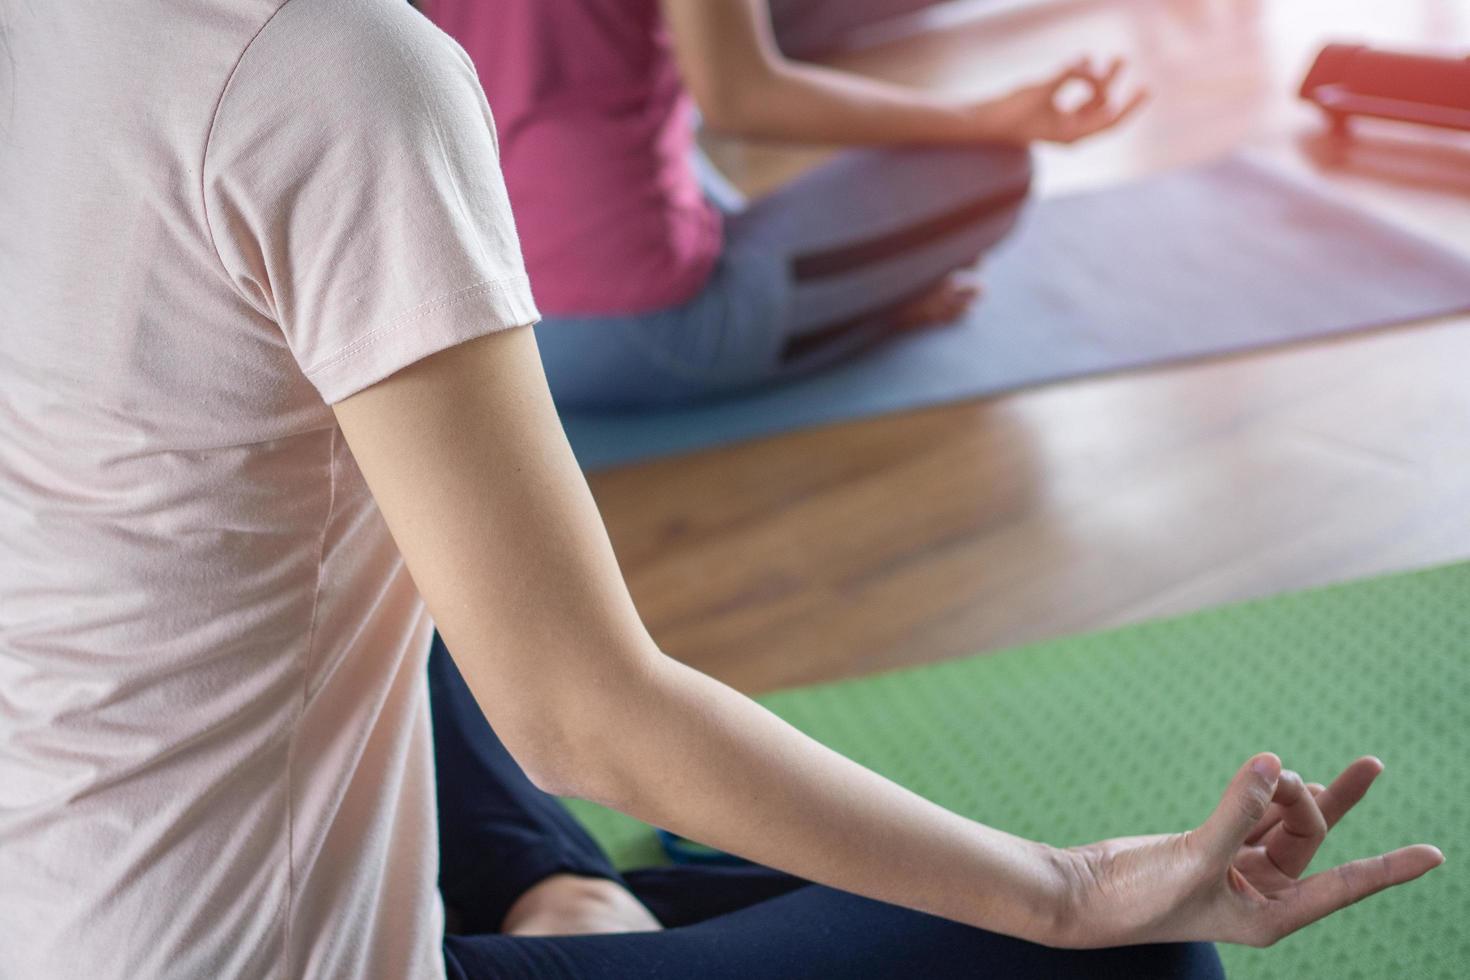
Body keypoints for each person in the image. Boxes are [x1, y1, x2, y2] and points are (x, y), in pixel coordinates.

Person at [0, 1, 1442, 978]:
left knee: (368, 551)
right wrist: (1070, 894)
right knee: (1140, 950)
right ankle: (570, 890)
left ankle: (553, 889)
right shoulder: (333, 69)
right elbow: (579, 717)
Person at [422, 0, 1147, 410]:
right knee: (990, 168)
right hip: (634, 328)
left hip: (490, 317)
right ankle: (866, 310)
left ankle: (849, 296)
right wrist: (989, 118)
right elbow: (741, 96)